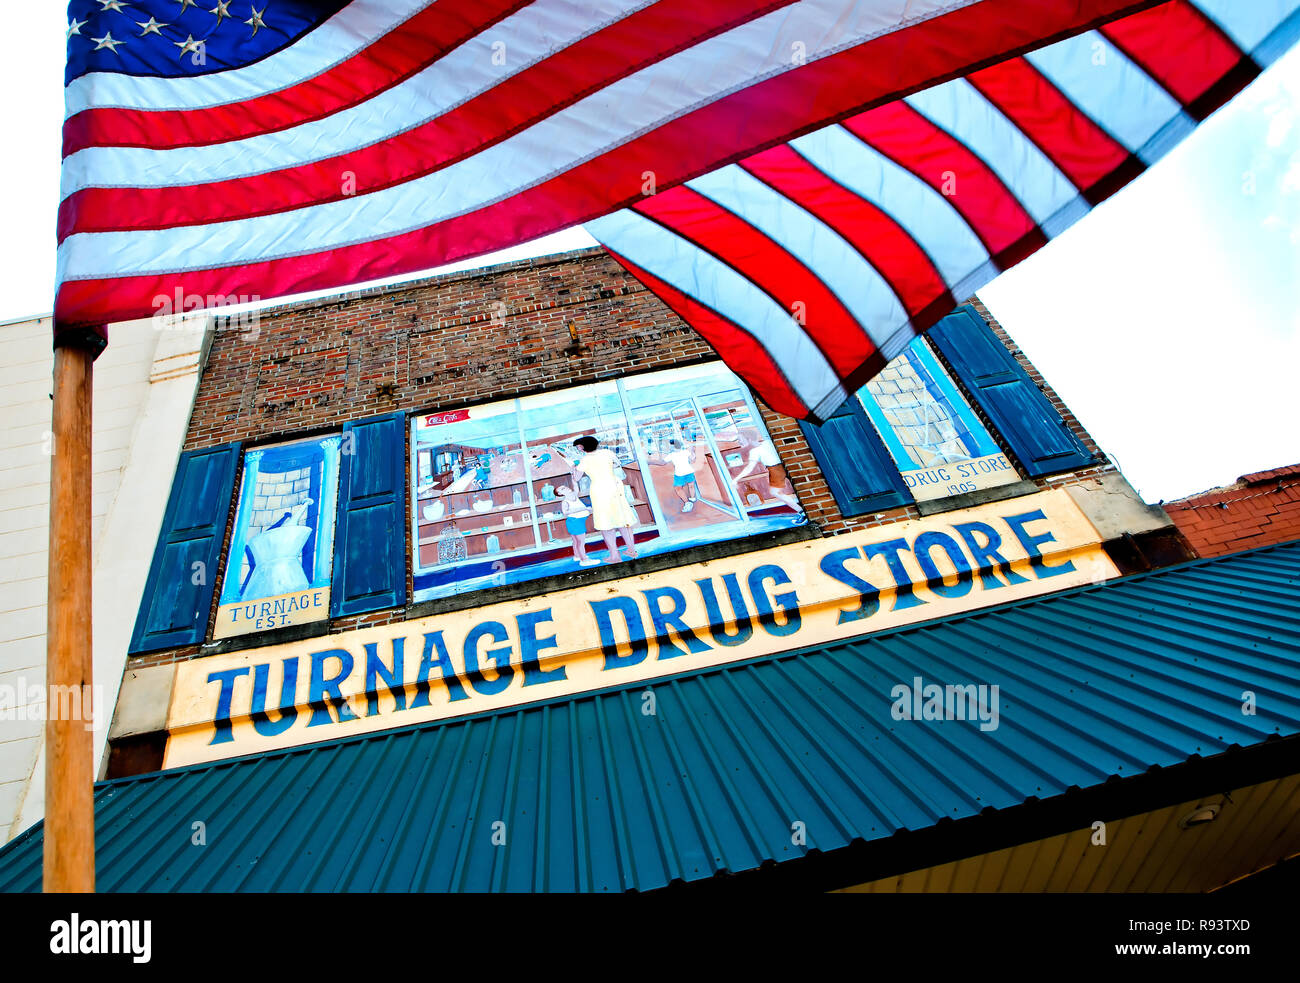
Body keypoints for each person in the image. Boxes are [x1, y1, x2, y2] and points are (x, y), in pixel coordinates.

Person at [571, 435, 639, 562]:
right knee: (623, 519)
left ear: (582, 447)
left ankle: (615, 555)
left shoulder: (584, 461)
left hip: (599, 489)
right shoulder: (607, 453)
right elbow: (617, 463)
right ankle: (632, 550)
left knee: (606, 522)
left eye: (578, 446)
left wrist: (573, 469)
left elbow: (576, 478)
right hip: (615, 486)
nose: (578, 449)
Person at [735, 435, 806, 521]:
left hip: (775, 469)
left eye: (740, 439)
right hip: (785, 464)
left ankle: (802, 512)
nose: (739, 442)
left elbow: (749, 468)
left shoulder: (755, 451)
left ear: (749, 438)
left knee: (775, 492)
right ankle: (803, 511)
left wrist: (735, 479)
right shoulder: (768, 442)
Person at [647, 438, 700, 512]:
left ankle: (687, 503)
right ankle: (692, 498)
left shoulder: (672, 455)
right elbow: (692, 460)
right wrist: (692, 450)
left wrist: (650, 462)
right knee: (691, 485)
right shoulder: (685, 452)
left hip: (680, 474)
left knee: (678, 488)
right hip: (689, 471)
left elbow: (662, 463)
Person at [556, 483, 601, 567]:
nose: (565, 487)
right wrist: (583, 508)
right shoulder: (565, 502)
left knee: (576, 541)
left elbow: (576, 487)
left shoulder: (574, 495)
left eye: (564, 486)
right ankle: (584, 560)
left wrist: (573, 478)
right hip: (574, 522)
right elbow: (565, 512)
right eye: (562, 489)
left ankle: (577, 556)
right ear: (560, 494)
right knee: (581, 542)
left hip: (577, 521)